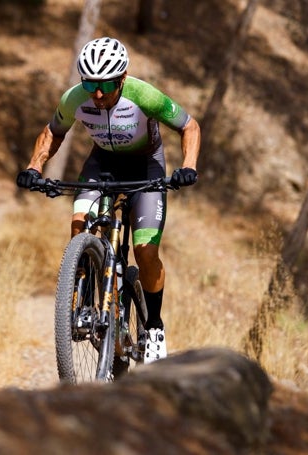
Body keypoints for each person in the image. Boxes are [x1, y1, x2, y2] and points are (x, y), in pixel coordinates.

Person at [16, 37, 200, 364]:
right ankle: (86, 303)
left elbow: (190, 127)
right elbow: (52, 131)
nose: (98, 94)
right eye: (90, 84)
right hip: (103, 164)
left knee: (145, 251)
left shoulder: (144, 96)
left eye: (107, 85)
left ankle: (154, 326)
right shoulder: (75, 99)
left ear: (123, 78)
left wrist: (188, 166)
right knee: (78, 228)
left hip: (146, 167)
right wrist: (35, 165)